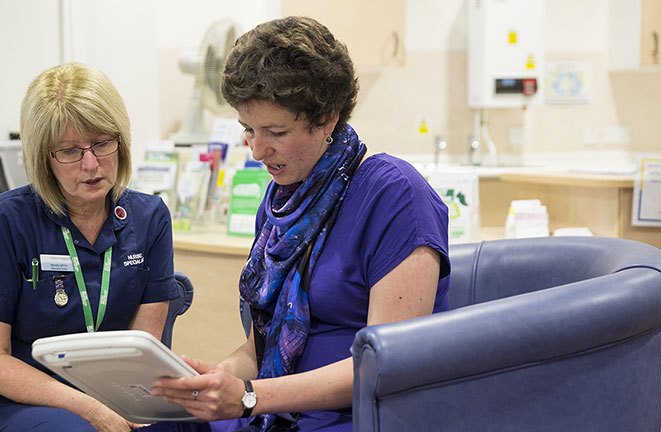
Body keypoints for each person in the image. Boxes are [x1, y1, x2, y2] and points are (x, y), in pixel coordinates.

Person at [144, 16, 450, 432]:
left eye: (275, 131)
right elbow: (258, 349)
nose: (257, 150)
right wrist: (212, 383)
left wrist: (251, 396)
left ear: (327, 119)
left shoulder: (394, 194)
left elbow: (387, 364)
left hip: (359, 418)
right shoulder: (282, 205)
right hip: (273, 410)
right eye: (248, 130)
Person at [0, 62, 179, 432]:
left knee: (185, 424)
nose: (91, 164)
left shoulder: (150, 218)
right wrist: (92, 410)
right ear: (42, 158)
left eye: (101, 143)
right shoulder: (3, 219)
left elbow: (141, 348)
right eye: (69, 151)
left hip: (104, 392)